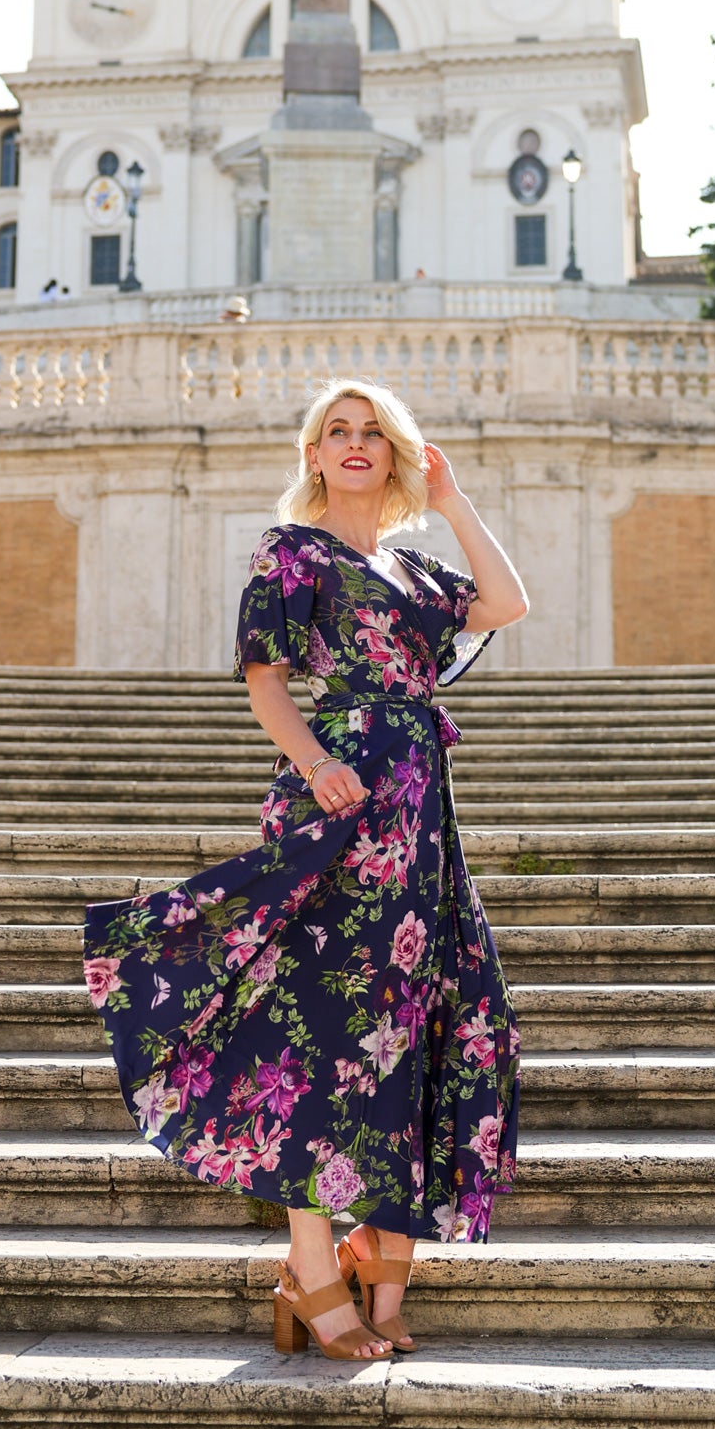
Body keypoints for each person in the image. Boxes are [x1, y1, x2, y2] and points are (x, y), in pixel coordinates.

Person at [84, 377, 527, 1361]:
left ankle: (387, 1266)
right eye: (339, 432)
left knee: (415, 1025)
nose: (358, 444)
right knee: (320, 1033)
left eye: (375, 433)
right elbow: (262, 679)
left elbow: (507, 602)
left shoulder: (413, 569)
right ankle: (314, 1269)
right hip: (334, 802)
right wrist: (316, 763)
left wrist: (453, 502)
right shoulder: (293, 552)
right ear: (314, 456)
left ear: (398, 453)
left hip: (419, 821)